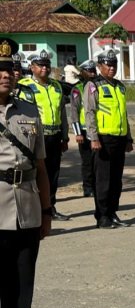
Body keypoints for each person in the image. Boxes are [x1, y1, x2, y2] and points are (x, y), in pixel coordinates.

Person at [0, 38, 53, 308]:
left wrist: (47, 212)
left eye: (10, 69)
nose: (6, 75)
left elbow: (42, 167)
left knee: (22, 283)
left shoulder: (30, 112)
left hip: (27, 207)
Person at [17, 50, 71, 222]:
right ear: (32, 67)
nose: (45, 69)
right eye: (40, 66)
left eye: (47, 66)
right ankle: (35, 209)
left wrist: (64, 136)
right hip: (35, 136)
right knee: (35, 172)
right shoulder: (25, 86)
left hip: (54, 136)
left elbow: (62, 112)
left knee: (52, 173)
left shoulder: (56, 86)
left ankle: (50, 207)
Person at [85, 50, 134, 229]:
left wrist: (128, 138)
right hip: (103, 139)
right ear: (99, 66)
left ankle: (112, 212)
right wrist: (93, 137)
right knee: (103, 180)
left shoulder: (120, 86)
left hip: (119, 138)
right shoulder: (93, 85)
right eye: (108, 64)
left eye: (114, 64)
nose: (112, 68)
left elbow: (123, 113)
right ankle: (102, 216)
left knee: (116, 180)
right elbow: (89, 112)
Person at [67, 59, 97, 198]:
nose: (92, 74)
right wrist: (78, 133)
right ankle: (88, 187)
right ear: (82, 73)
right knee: (87, 161)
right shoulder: (77, 89)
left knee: (98, 160)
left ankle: (98, 185)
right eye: (89, 71)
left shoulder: (98, 86)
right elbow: (74, 112)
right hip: (84, 130)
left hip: (97, 129)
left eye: (93, 71)